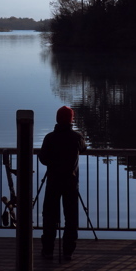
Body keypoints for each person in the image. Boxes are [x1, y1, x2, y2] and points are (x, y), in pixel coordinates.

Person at [38, 105, 87, 261]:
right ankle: (68, 251)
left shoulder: (50, 138)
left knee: (49, 216)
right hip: (71, 183)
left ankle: (48, 250)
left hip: (53, 181)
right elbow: (84, 148)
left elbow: (43, 159)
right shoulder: (77, 137)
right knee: (71, 218)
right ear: (71, 120)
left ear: (57, 119)